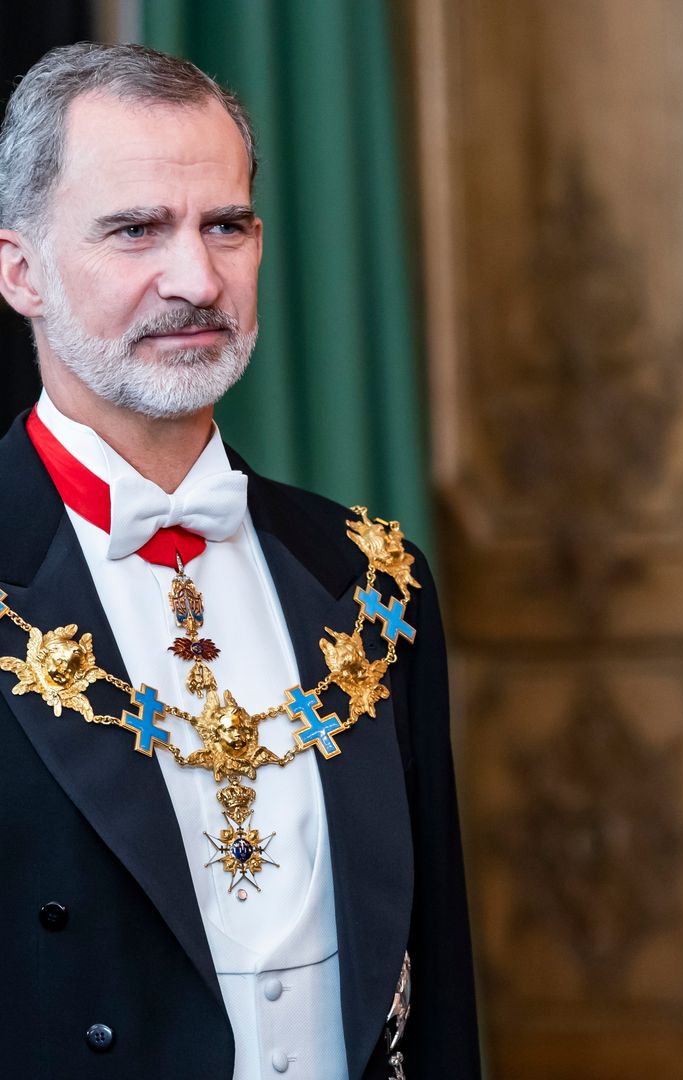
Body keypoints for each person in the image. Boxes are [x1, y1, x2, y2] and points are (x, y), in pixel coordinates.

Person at [0, 42, 480, 1080]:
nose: (197, 279)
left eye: (227, 226)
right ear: (20, 271)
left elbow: (436, 980)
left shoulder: (377, 580)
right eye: (136, 231)